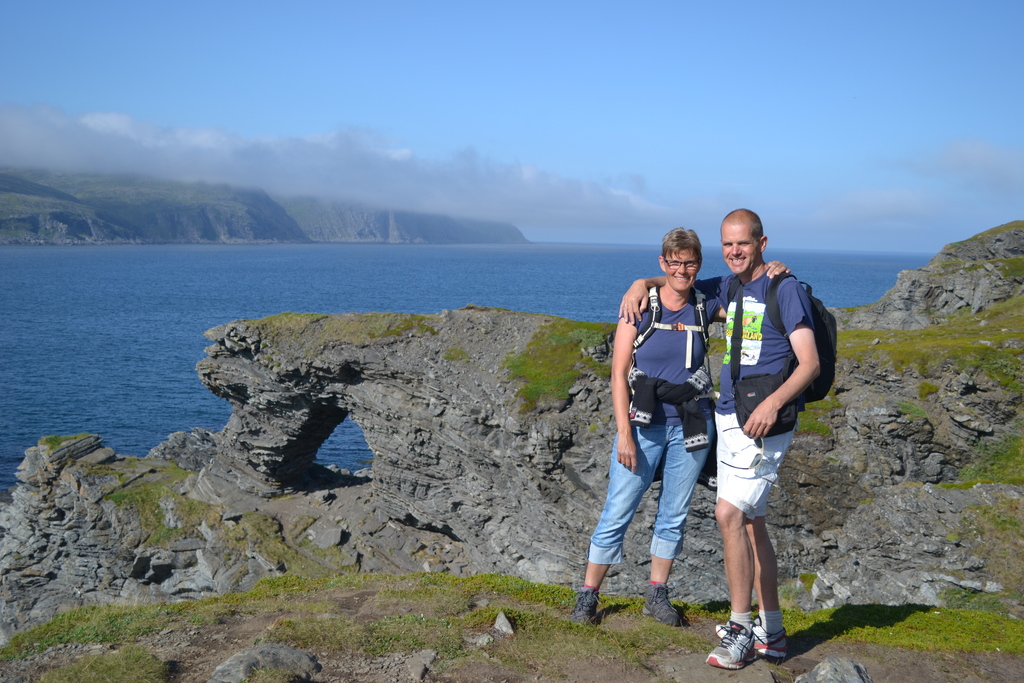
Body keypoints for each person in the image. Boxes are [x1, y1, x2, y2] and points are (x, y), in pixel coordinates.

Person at [618, 209, 818, 669]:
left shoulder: (781, 289)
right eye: (727, 244)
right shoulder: (729, 287)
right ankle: (774, 632)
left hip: (763, 421)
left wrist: (773, 405)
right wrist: (639, 284)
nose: (734, 251)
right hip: (728, 417)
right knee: (751, 523)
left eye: (742, 244)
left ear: (762, 243)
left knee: (727, 514)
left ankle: (741, 630)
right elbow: (676, 281)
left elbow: (809, 364)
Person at [569, 228, 717, 627]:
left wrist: (778, 272)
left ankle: (656, 594)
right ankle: (588, 595)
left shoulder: (706, 304)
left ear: (698, 264)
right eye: (674, 262)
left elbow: (750, 290)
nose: (682, 270)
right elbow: (618, 375)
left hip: (692, 426)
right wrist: (624, 433)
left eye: (689, 262)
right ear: (662, 263)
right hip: (643, 427)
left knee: (674, 514)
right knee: (617, 509)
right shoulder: (639, 308)